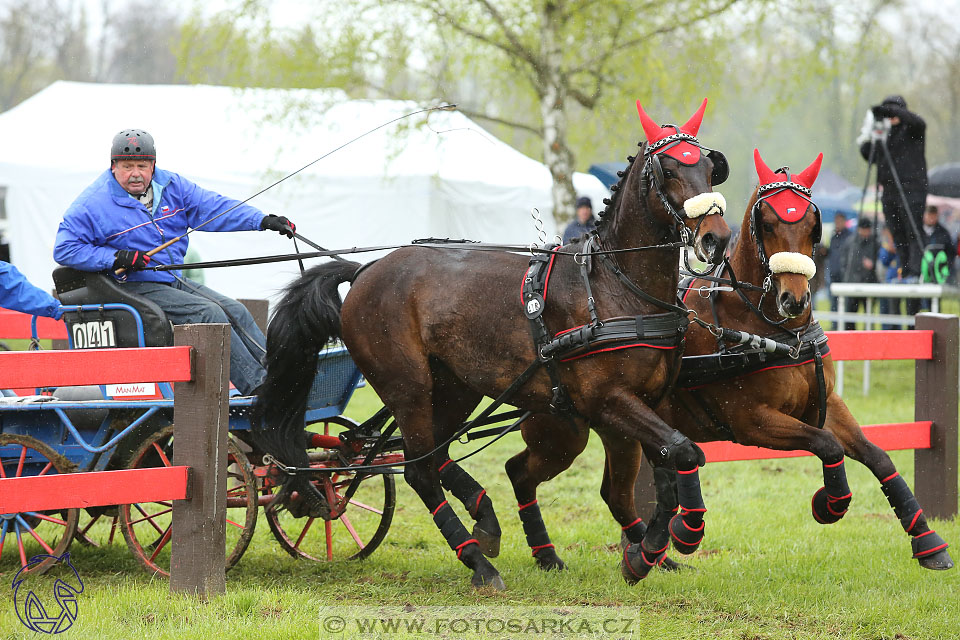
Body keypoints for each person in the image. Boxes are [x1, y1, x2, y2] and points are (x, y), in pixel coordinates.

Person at [54, 129, 295, 396]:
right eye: (127, 166)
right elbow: (65, 249)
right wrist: (115, 257)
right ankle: (260, 392)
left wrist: (260, 221)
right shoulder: (91, 204)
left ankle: (281, 379)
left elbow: (213, 207)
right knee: (209, 314)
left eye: (142, 166)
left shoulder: (172, 186)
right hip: (130, 287)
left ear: (153, 166)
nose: (135, 173)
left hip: (170, 280)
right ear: (113, 167)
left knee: (235, 310)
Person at [858, 95, 927, 314]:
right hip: (889, 192)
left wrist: (892, 112)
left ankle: (915, 271)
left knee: (912, 230)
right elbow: (868, 154)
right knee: (897, 233)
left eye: (893, 111)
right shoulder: (885, 136)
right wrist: (869, 131)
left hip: (912, 189)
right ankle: (905, 271)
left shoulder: (912, 130)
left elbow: (919, 122)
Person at [840, 216, 878, 329]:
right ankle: (850, 336)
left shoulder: (875, 243)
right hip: (852, 284)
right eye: (864, 229)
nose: (866, 232)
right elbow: (844, 262)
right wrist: (847, 278)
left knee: (869, 315)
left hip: (869, 283)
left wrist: (873, 266)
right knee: (850, 316)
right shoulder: (851, 242)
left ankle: (868, 336)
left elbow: (879, 261)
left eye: (868, 230)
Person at [825, 211, 852, 328]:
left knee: (846, 304)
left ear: (844, 222)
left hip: (845, 275)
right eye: (836, 221)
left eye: (839, 221)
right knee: (833, 303)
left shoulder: (849, 237)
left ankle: (844, 325)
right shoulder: (833, 237)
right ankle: (835, 325)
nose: (837, 223)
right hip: (833, 274)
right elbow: (831, 254)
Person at [919, 205, 953, 284]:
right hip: (920, 272)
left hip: (938, 274)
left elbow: (950, 253)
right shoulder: (917, 231)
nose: (931, 219)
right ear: (924, 216)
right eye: (929, 216)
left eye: (933, 216)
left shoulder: (943, 233)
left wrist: (943, 266)